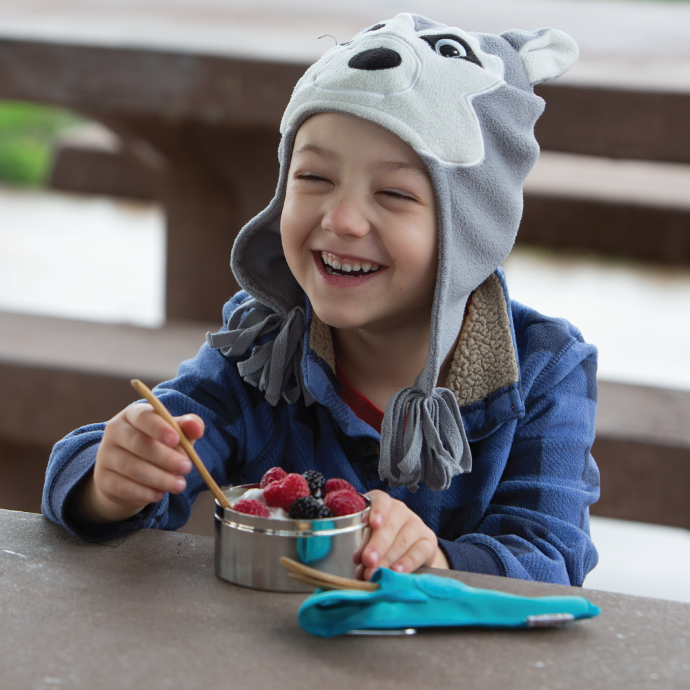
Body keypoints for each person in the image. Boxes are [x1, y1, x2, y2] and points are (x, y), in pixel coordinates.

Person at [42, 13, 600, 585]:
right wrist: (111, 482)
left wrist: (438, 561)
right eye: (314, 178)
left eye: (392, 192)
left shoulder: (542, 370)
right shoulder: (266, 348)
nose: (342, 219)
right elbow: (136, 452)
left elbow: (551, 558)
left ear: (472, 229)